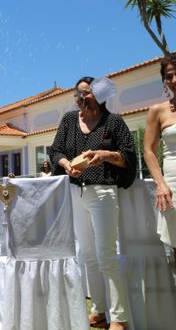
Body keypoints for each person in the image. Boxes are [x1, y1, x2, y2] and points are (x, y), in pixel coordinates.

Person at [49, 76, 136, 330]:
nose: (82, 98)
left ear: (99, 95)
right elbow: (56, 151)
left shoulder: (114, 122)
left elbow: (129, 155)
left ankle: (119, 317)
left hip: (104, 193)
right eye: (79, 94)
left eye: (86, 93)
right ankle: (98, 311)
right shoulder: (68, 120)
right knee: (87, 255)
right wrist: (66, 165)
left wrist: (105, 155)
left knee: (106, 255)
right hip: (77, 193)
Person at [143, 52, 176, 254]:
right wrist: (161, 183)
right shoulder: (157, 111)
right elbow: (148, 150)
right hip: (173, 184)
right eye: (169, 76)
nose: (174, 80)